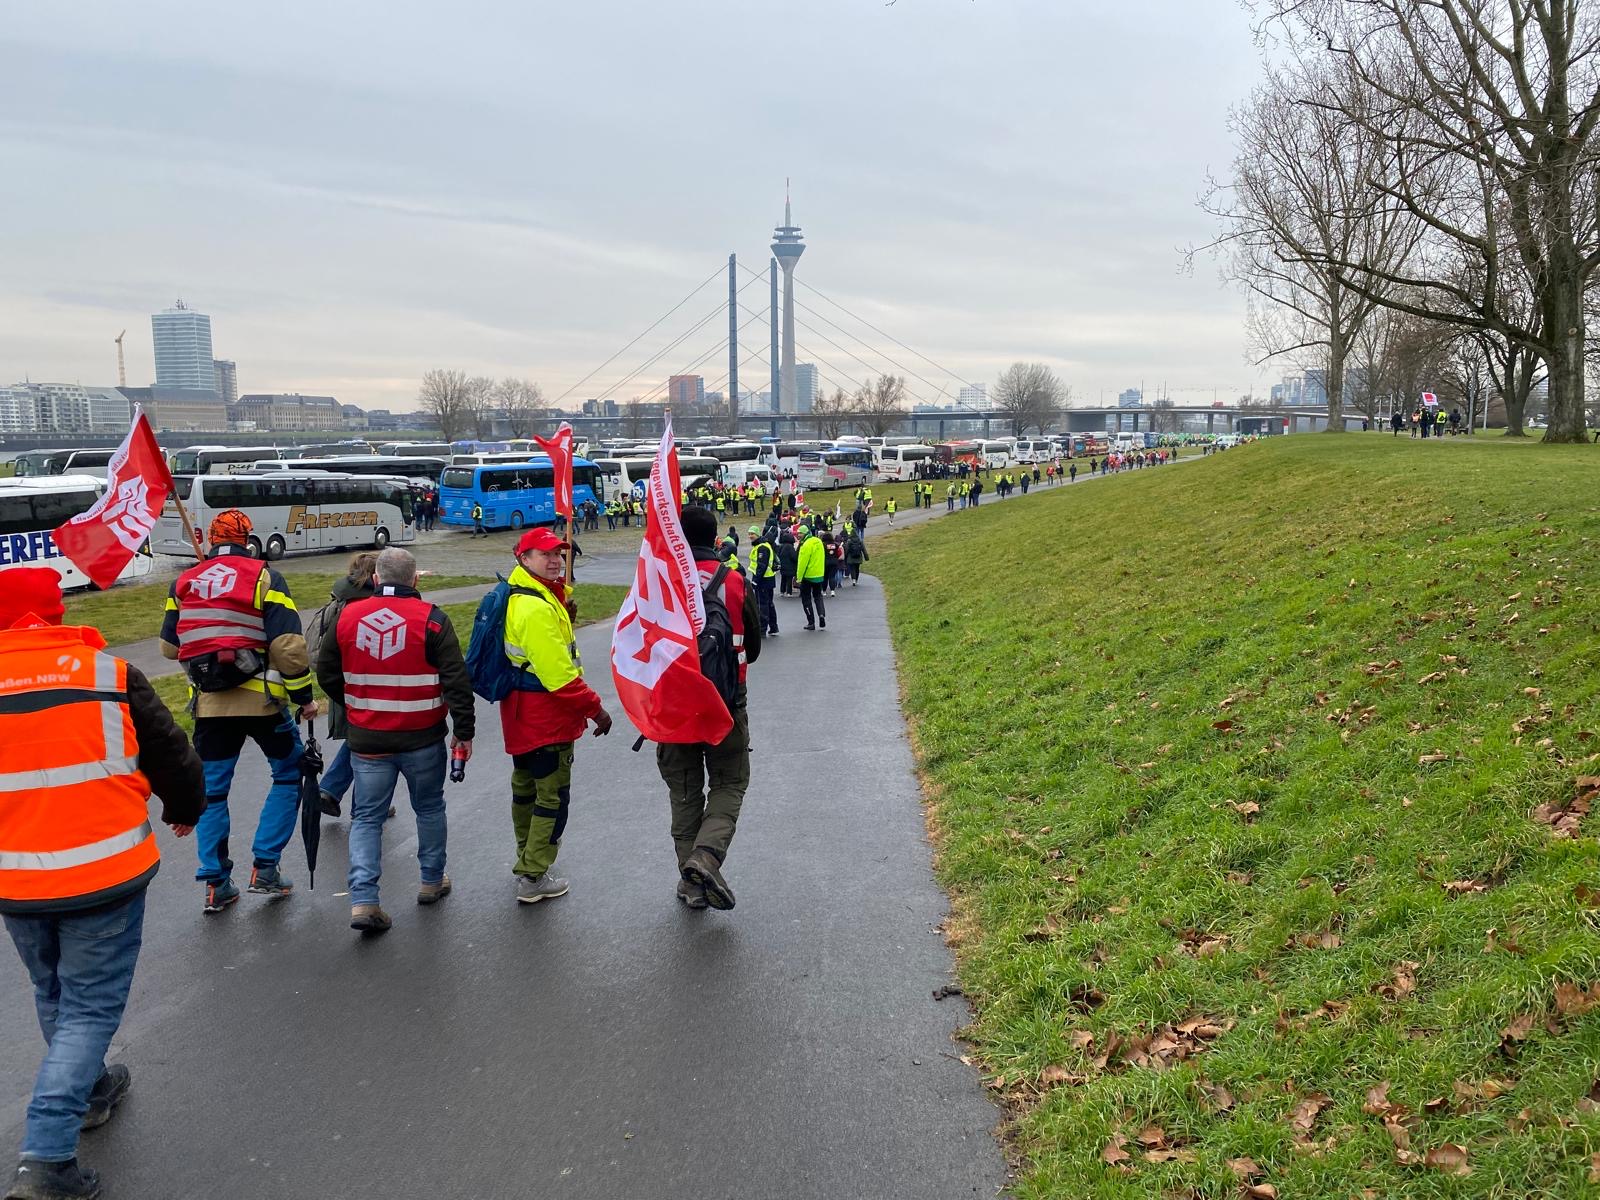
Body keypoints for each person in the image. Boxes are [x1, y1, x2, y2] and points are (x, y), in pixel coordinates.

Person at [1, 569, 205, 1200]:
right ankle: (46, 1157)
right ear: (55, 614)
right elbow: (170, 752)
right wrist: (184, 807)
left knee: (53, 988)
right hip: (104, 871)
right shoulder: (107, 674)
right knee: (89, 1007)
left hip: (15, 878)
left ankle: (89, 1091)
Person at [160, 509, 317, 914]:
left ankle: (215, 883)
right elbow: (287, 646)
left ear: (210, 540)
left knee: (212, 792)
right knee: (288, 773)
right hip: (262, 703)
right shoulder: (264, 576)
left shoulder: (183, 581)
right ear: (247, 539)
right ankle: (265, 867)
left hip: (210, 706)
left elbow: (170, 647)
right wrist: (304, 698)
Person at [317, 548, 475, 933]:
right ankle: (431, 880)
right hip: (423, 738)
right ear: (415, 580)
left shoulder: (347, 618)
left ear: (375, 579)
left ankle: (364, 900)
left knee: (367, 818)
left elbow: (326, 673)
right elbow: (456, 681)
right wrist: (464, 732)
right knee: (429, 807)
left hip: (369, 740)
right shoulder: (433, 621)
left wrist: (358, 703)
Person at [499, 528, 612, 903]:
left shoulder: (531, 594)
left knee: (526, 790)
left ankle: (526, 859)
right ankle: (532, 875)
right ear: (523, 558)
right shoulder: (534, 607)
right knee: (551, 797)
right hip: (544, 718)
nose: (555, 560)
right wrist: (596, 710)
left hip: (522, 715)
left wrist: (563, 606)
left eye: (558, 554)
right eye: (544, 554)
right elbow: (560, 678)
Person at [659, 506, 762, 911]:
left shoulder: (659, 581)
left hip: (673, 708)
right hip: (725, 704)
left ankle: (691, 884)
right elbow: (750, 648)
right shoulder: (735, 581)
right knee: (729, 783)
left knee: (684, 794)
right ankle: (706, 858)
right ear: (715, 539)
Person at [307, 552, 377, 820]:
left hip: (338, 683)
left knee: (359, 742)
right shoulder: (367, 603)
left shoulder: (338, 598)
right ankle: (363, 806)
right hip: (362, 684)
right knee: (369, 746)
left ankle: (332, 791)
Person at [747, 525, 779, 636]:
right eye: (749, 534)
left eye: (752, 534)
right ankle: (773, 627)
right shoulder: (763, 545)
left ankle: (763, 629)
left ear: (757, 535)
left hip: (763, 580)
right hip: (768, 578)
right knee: (769, 603)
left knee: (762, 604)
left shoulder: (762, 547)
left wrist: (755, 580)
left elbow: (761, 565)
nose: (750, 536)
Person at [795, 524, 827, 631]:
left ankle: (811, 622)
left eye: (800, 533)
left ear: (805, 533)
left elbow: (802, 563)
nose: (798, 535)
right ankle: (821, 615)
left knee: (806, 599)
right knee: (818, 596)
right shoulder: (818, 542)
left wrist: (799, 578)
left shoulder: (806, 545)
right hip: (818, 575)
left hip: (808, 576)